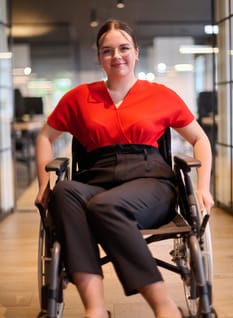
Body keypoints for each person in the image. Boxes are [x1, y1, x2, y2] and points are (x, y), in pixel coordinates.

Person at [35, 19, 214, 318]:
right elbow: (45, 136)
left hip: (151, 180)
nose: (116, 56)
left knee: (103, 206)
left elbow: (199, 139)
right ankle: (95, 309)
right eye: (107, 50)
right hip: (97, 176)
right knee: (65, 191)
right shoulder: (79, 97)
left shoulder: (160, 94)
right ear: (99, 57)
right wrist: (44, 184)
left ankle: (164, 307)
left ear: (136, 53)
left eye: (123, 48)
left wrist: (202, 186)